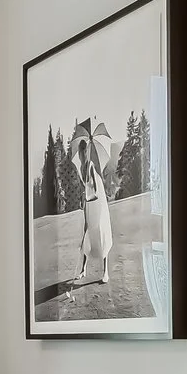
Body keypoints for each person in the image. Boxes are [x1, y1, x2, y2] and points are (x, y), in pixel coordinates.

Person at [74, 115, 117, 286]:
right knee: (86, 234)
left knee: (100, 233)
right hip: (89, 205)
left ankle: (105, 272)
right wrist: (82, 200)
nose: (81, 155)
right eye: (79, 153)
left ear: (86, 152)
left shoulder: (91, 166)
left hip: (98, 204)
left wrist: (87, 197)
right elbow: (83, 189)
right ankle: (83, 269)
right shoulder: (81, 168)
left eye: (82, 153)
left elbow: (96, 191)